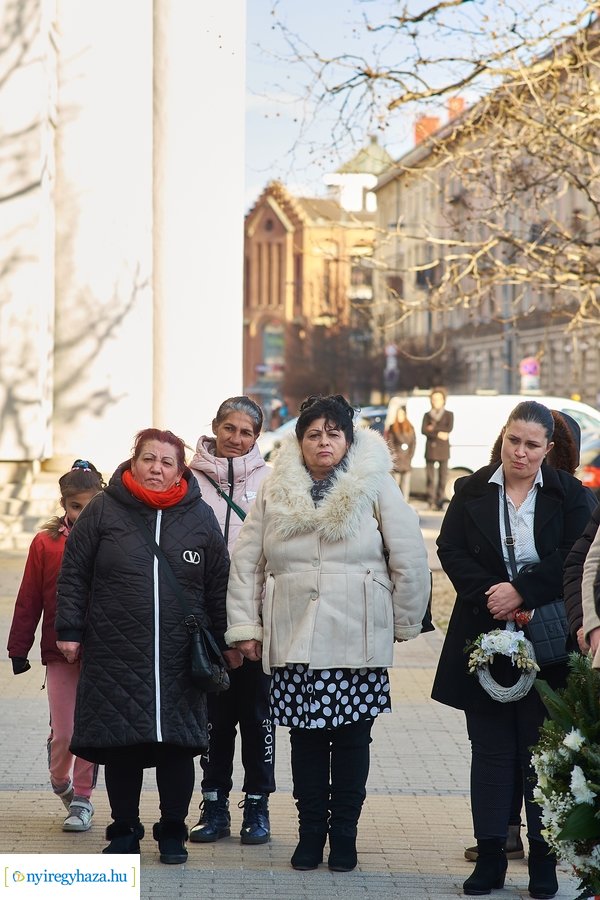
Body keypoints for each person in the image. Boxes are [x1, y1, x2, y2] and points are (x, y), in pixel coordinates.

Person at [225, 394, 431, 873]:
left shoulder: (375, 485)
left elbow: (408, 556)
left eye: (333, 433)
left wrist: (402, 622)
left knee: (353, 743)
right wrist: (245, 627)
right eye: (313, 434)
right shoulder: (276, 489)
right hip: (294, 634)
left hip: (357, 637)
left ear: (348, 438)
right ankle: (310, 834)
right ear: (300, 441)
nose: (324, 442)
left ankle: (344, 837)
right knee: (307, 744)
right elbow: (247, 563)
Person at [431, 400, 591, 898]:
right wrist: (492, 596)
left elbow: (579, 555)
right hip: (485, 636)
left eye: (531, 445)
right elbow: (449, 548)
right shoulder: (472, 488)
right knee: (492, 753)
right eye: (512, 441)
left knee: (540, 756)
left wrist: (524, 591)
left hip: (551, 642)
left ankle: (543, 865)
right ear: (503, 437)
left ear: (548, 449)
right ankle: (491, 856)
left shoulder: (571, 496)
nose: (519, 453)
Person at [55, 429, 230, 864]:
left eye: (167, 462)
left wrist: (229, 640)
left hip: (179, 654)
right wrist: (69, 630)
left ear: (179, 471)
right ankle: (124, 829)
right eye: (148, 459)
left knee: (177, 748)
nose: (156, 468)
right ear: (133, 462)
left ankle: (173, 830)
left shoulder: (200, 516)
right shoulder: (102, 511)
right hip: (115, 649)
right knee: (121, 746)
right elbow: (74, 573)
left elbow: (219, 583)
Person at [187, 396, 274, 845]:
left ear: (257, 437)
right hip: (204, 624)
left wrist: (253, 626)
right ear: (215, 427)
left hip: (257, 627)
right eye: (230, 429)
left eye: (246, 433)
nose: (236, 439)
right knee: (214, 721)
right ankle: (214, 802)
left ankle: (257, 807)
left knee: (258, 717)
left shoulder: (274, 481)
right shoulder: (189, 479)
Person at [7, 460, 104, 833]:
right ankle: (60, 779)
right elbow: (29, 596)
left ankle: (82, 798)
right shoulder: (45, 543)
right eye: (75, 506)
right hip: (59, 652)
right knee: (64, 732)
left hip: (102, 652)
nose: (82, 514)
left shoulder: (110, 539)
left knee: (88, 729)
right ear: (64, 505)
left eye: (91, 505)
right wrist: (18, 647)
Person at [421, 386, 454, 510]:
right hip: (430, 449)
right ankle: (430, 500)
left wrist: (432, 429)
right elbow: (424, 430)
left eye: (438, 399)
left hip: (443, 450)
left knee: (442, 477)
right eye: (434, 399)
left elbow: (449, 429)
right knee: (430, 477)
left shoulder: (449, 414)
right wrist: (439, 433)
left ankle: (440, 501)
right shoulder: (427, 415)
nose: (436, 401)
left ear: (443, 400)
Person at [385, 404, 416, 501]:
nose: (400, 416)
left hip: (407, 459)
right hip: (397, 459)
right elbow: (390, 443)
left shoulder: (410, 427)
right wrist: (395, 456)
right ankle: (395, 502)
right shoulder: (393, 427)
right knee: (395, 484)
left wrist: (410, 456)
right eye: (398, 414)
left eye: (402, 414)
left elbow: (413, 443)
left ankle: (405, 502)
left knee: (406, 484)